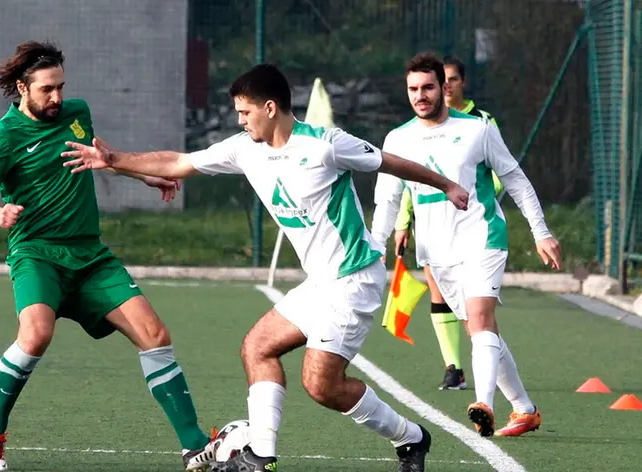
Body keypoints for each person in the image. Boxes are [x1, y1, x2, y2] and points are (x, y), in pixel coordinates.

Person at [61, 63, 470, 472]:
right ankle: (260, 455)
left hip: (353, 280)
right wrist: (113, 159)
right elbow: (179, 163)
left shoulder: (325, 145)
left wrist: (448, 185)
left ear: (270, 108)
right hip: (321, 283)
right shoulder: (245, 148)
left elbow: (390, 162)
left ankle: (411, 437)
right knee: (257, 348)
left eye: (245, 112)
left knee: (321, 385)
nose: (240, 120)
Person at [0, 41, 220, 472]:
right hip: (37, 254)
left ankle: (195, 447)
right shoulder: (2, 137)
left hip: (90, 256)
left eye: (60, 87)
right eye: (46, 89)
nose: (57, 97)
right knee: (36, 335)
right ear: (22, 88)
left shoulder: (76, 113)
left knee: (155, 335)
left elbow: (100, 158)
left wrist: (145, 176)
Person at [371, 52, 562, 438]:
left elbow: (515, 179)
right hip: (436, 252)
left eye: (428, 87)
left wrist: (540, 231)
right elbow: (388, 200)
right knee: (481, 331)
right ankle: (525, 410)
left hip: (482, 237)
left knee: (480, 319)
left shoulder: (477, 129)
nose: (420, 95)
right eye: (413, 89)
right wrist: (376, 249)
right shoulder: (397, 139)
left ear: (444, 88)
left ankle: (483, 404)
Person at [392, 54, 505, 391]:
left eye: (452, 80)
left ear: (454, 84)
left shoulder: (480, 122)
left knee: (478, 315)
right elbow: (410, 179)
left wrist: (475, 196)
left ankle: (491, 395)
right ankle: (453, 367)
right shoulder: (411, 131)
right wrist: (403, 221)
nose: (447, 87)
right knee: (443, 296)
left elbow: (502, 174)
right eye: (415, 88)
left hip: (472, 225)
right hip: (433, 227)